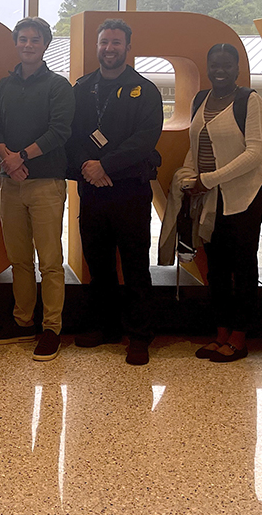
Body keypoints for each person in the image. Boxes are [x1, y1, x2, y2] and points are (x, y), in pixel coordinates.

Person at [66, 19, 164, 366]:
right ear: (97, 46)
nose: (109, 48)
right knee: (99, 263)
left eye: (116, 42)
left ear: (127, 47)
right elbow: (72, 135)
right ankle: (104, 327)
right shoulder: (81, 88)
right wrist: (89, 167)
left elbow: (146, 139)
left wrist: (105, 165)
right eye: (104, 42)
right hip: (92, 190)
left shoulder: (145, 90)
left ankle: (139, 335)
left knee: (136, 265)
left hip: (129, 189)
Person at [0, 16, 74, 361]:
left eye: (34, 40)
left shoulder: (57, 86)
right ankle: (23, 322)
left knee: (50, 260)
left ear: (45, 44)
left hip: (46, 183)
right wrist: (7, 157)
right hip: (10, 184)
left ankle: (51, 328)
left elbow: (60, 131)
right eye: (22, 39)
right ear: (16, 43)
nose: (27, 45)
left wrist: (20, 157)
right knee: (19, 259)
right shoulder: (5, 86)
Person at [180, 44, 262, 363]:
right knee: (215, 267)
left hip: (244, 197)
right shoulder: (200, 99)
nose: (220, 70)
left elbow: (256, 152)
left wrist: (211, 178)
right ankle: (220, 333)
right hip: (208, 198)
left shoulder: (250, 100)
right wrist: (190, 175)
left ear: (237, 68)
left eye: (227, 65)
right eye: (214, 64)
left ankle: (240, 337)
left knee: (242, 268)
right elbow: (195, 146)